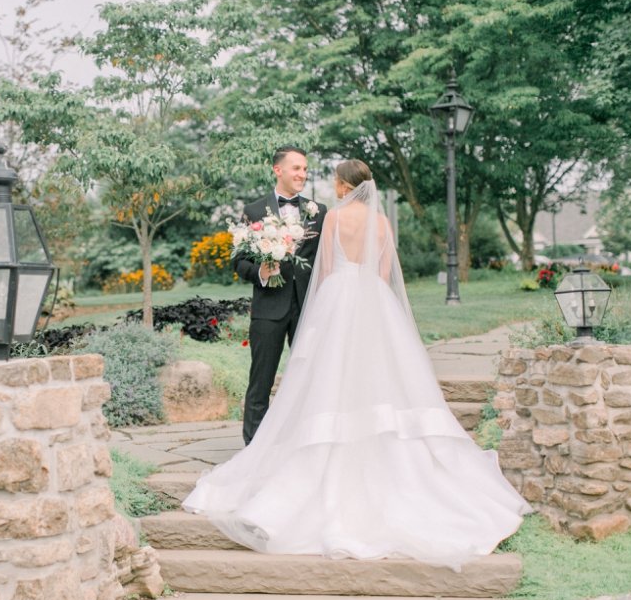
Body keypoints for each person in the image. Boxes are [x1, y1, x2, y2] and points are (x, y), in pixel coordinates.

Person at [185, 160, 531, 570]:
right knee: (381, 378)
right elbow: (383, 274)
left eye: (334, 181)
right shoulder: (382, 224)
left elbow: (326, 270)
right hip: (374, 303)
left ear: (344, 185)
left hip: (337, 300)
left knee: (330, 380)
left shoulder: (332, 218)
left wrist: (325, 307)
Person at [234, 146, 327, 445]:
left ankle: (305, 444)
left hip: (307, 309)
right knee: (260, 383)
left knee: (311, 382)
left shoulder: (319, 211)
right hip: (268, 310)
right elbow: (237, 262)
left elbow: (325, 260)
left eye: (304, 169)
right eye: (297, 168)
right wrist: (262, 271)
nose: (302, 174)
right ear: (278, 170)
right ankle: (254, 450)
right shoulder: (253, 211)